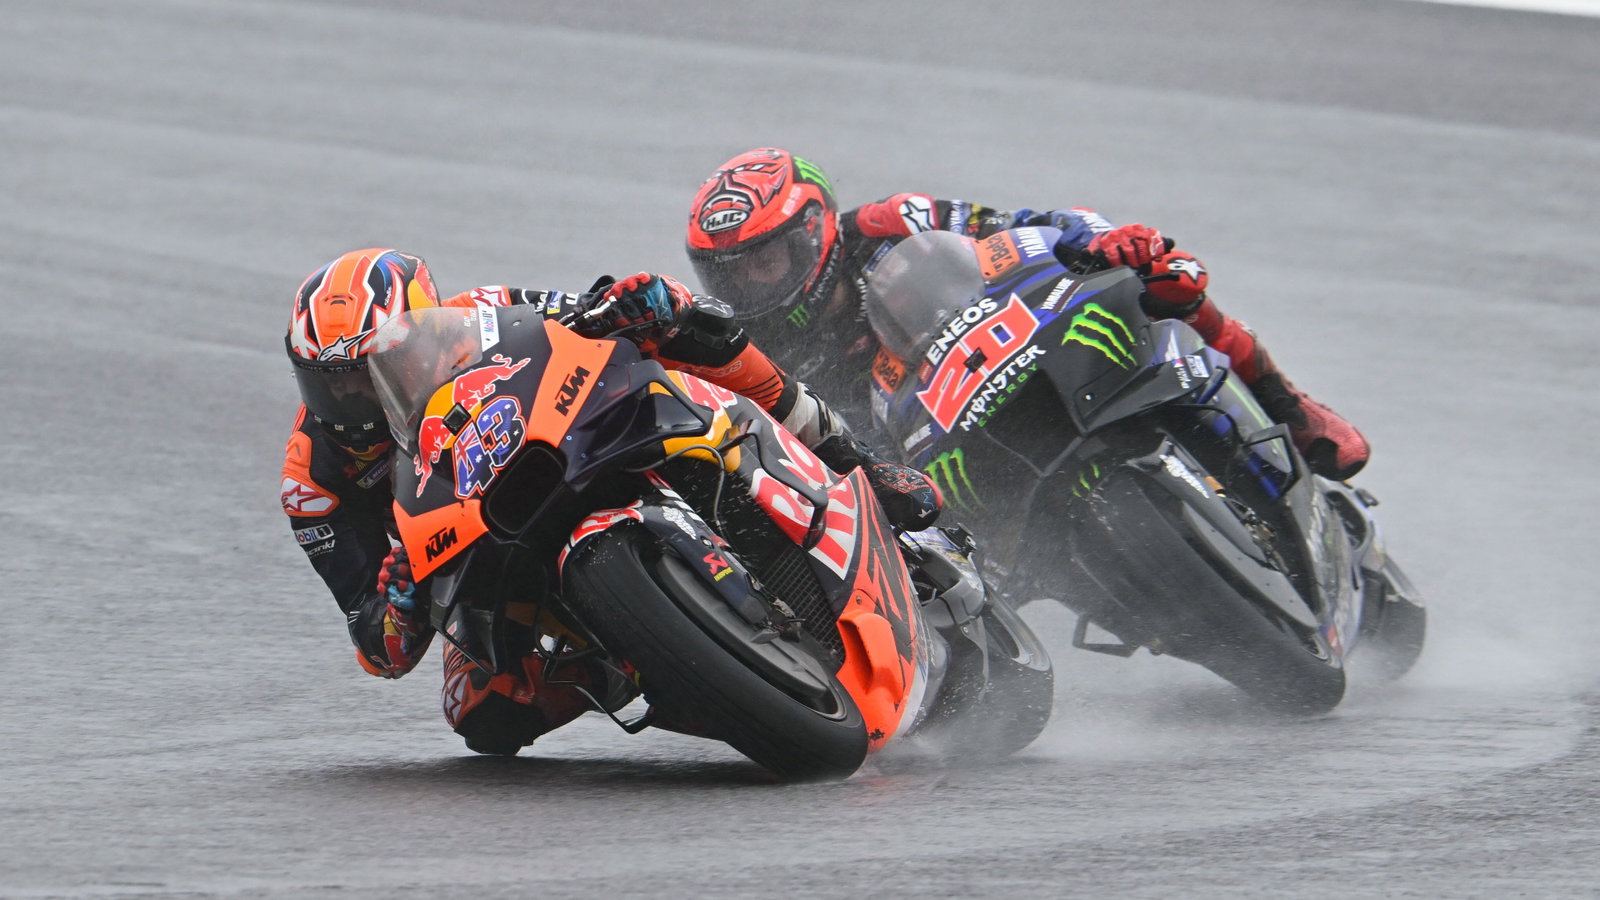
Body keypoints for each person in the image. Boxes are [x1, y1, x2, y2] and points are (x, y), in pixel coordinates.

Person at [280, 248, 939, 755]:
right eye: (332, 388)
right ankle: (641, 663)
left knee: (687, 328)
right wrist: (397, 605)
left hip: (568, 448)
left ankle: (849, 457)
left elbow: (596, 312)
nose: (355, 403)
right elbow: (377, 646)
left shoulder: (481, 314)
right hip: (472, 546)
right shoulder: (313, 480)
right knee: (481, 715)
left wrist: (630, 305)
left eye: (370, 376)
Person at [684, 147, 1369, 481]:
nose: (752, 286)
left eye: (764, 262)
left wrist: (1100, 242)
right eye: (732, 275)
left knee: (1167, 280)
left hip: (997, 350)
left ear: (811, 233)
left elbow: (1022, 229)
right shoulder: (748, 344)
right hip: (921, 453)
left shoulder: (892, 221)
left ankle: (1289, 405)